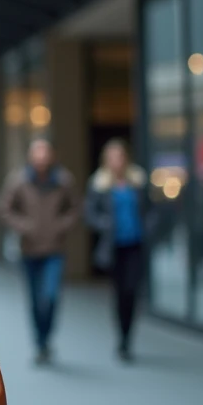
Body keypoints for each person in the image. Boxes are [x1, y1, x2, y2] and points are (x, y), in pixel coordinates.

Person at [0, 138, 79, 365]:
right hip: (29, 249)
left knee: (50, 297)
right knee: (34, 300)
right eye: (37, 154)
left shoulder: (63, 181)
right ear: (31, 157)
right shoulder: (19, 180)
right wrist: (24, 227)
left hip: (54, 249)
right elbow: (4, 209)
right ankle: (40, 343)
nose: (41, 159)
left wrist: (60, 226)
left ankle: (47, 336)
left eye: (45, 154)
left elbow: (74, 208)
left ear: (51, 156)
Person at [85, 138, 151, 361]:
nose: (116, 161)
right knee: (119, 293)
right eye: (112, 157)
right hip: (114, 247)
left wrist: (148, 227)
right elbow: (90, 213)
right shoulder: (99, 183)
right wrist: (105, 224)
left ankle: (128, 336)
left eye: (120, 156)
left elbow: (153, 209)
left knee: (132, 291)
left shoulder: (138, 180)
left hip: (135, 244)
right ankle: (121, 338)